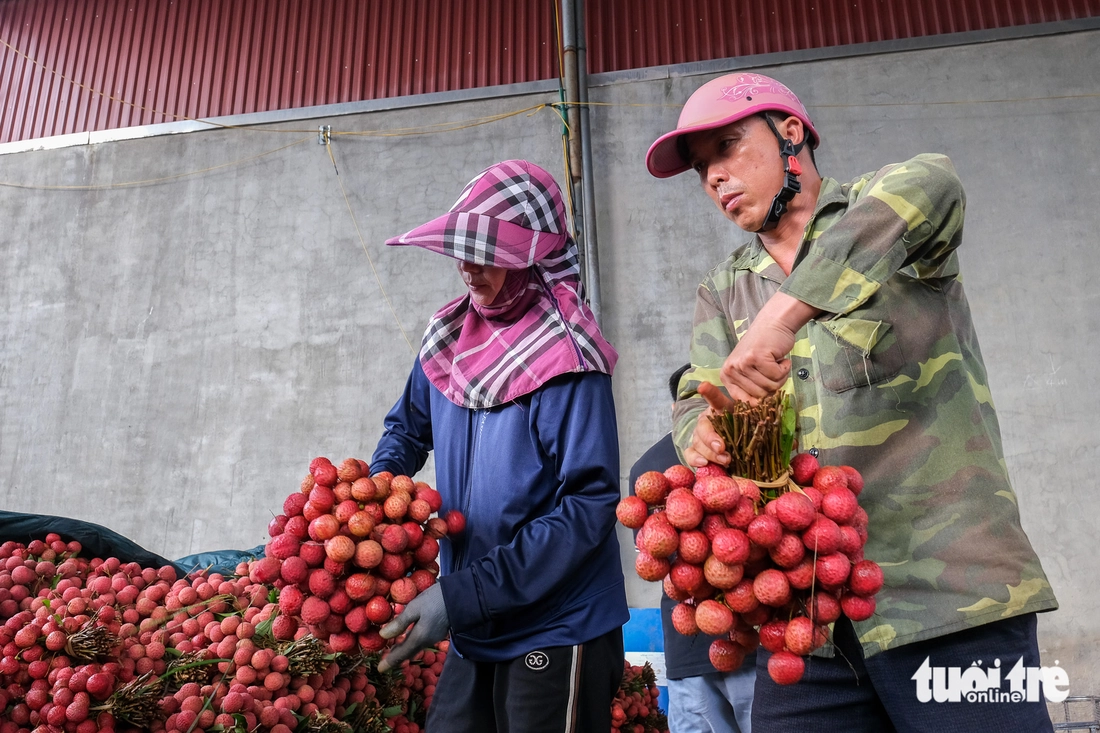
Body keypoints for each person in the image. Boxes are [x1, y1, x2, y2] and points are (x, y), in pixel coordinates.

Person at [645, 72, 1058, 732]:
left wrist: (783, 315)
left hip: (950, 598)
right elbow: (698, 392)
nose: (714, 177)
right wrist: (701, 432)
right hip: (811, 621)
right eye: (701, 168)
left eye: (726, 148)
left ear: (790, 134)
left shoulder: (885, 215)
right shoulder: (724, 290)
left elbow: (936, 181)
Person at [368, 160, 629, 732]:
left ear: (534, 260)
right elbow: (407, 431)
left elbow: (587, 507)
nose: (468, 268)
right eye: (462, 250)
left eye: (488, 254)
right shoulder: (448, 336)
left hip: (557, 624)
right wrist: (374, 502)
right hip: (478, 617)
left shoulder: (568, 359)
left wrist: (462, 597)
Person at [629, 364, 754, 733]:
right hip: (748, 636)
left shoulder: (645, 469)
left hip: (689, 645)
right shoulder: (742, 449)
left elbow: (650, 560)